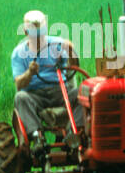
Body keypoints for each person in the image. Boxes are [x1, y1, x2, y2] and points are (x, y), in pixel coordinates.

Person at [12, 9, 86, 162]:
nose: (39, 38)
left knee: (83, 95)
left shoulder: (58, 45)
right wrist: (29, 73)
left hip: (59, 89)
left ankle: (73, 134)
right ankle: (37, 137)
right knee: (20, 97)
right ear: (26, 32)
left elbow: (75, 67)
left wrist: (72, 52)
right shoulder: (19, 53)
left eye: (41, 34)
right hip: (34, 94)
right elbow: (19, 84)